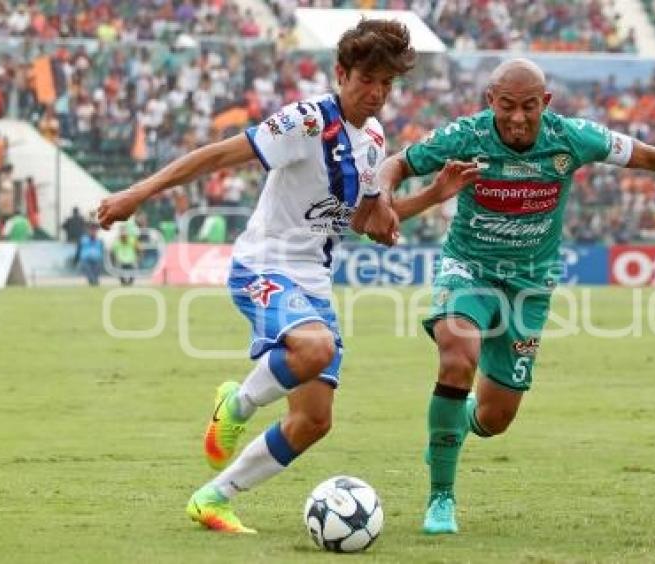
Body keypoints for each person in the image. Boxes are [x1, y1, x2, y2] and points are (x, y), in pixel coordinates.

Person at [96, 19, 478, 535]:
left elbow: (365, 222)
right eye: (368, 79)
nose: (378, 93)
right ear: (341, 73)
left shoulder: (372, 140)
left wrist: (432, 196)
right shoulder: (303, 120)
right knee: (315, 349)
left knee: (314, 421)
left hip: (314, 283)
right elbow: (216, 155)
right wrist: (137, 193)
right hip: (264, 266)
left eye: (388, 83)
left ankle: (214, 498)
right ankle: (237, 403)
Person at [376, 58, 655, 535]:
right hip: (470, 270)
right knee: (458, 356)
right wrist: (382, 198)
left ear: (545, 103)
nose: (519, 118)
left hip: (530, 285)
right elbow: (397, 164)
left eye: (529, 107)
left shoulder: (572, 138)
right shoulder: (465, 136)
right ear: (491, 101)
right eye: (507, 106)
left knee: (495, 417)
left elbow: (649, 156)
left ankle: (452, 426)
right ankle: (441, 497)